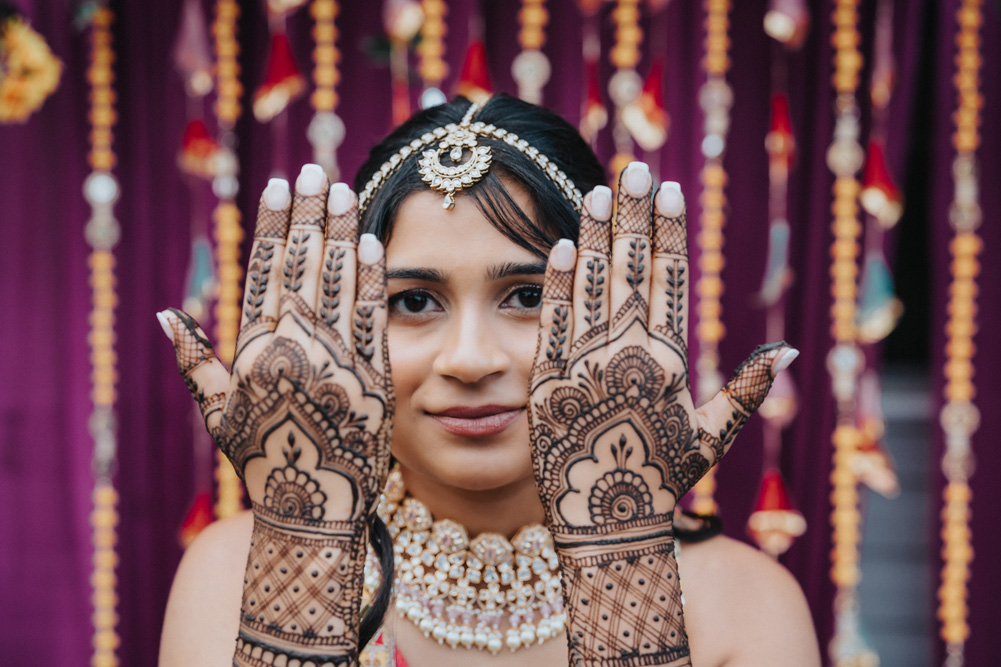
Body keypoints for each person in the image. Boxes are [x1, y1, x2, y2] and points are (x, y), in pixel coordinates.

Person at [157, 95, 820, 667]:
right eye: (413, 301)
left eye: (528, 294)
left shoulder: (742, 603)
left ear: (617, 310)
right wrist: (304, 559)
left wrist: (619, 563)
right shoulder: (234, 573)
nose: (470, 359)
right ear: (341, 323)